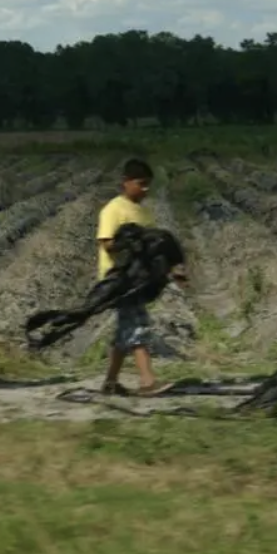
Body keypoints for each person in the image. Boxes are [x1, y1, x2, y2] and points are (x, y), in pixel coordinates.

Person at [96, 158, 183, 396]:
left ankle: (110, 382)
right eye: (140, 184)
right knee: (138, 325)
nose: (144, 190)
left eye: (147, 185)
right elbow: (107, 244)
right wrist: (130, 241)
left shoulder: (144, 213)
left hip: (138, 279)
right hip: (119, 280)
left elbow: (153, 245)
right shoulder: (113, 210)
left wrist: (171, 268)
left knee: (125, 331)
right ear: (126, 182)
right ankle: (147, 382)